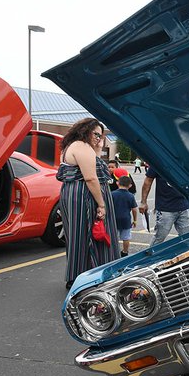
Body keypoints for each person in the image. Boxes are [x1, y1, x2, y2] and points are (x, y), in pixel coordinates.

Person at [56, 118, 119, 289]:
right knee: (89, 234)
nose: (99, 138)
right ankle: (89, 276)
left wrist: (98, 148)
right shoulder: (81, 146)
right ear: (85, 131)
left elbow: (95, 166)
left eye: (101, 136)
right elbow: (91, 178)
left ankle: (78, 275)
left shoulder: (73, 146)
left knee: (77, 235)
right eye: (96, 134)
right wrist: (102, 204)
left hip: (75, 194)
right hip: (85, 196)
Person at [139, 166, 189, 246]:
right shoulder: (159, 160)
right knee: (159, 237)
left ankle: (182, 257)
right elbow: (148, 181)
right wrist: (143, 202)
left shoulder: (186, 160)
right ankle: (152, 257)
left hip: (185, 206)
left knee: (186, 238)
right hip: (165, 208)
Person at [112, 175, 139, 257]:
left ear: (117, 183)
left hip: (114, 219)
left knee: (114, 237)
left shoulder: (112, 194)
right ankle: (125, 251)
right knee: (126, 237)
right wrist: (135, 220)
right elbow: (134, 209)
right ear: (130, 185)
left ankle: (113, 252)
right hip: (126, 219)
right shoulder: (131, 195)